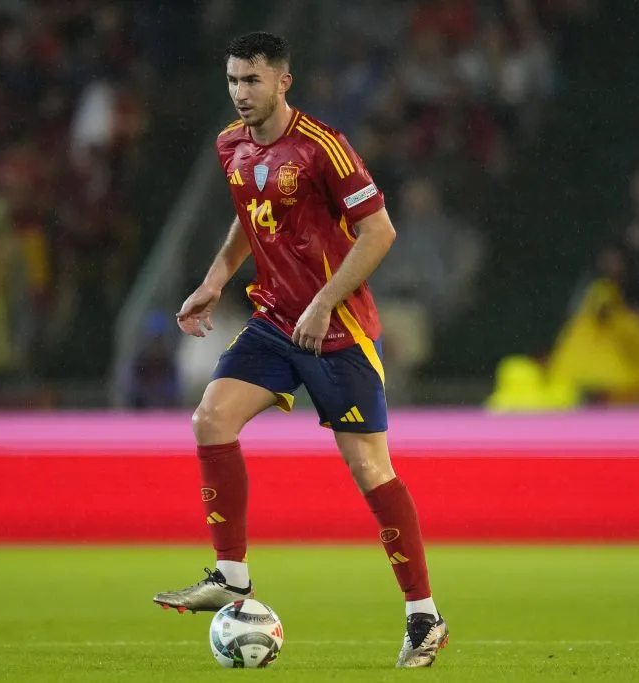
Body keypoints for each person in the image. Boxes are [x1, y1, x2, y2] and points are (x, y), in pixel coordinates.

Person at [151, 32, 448, 669]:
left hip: (338, 330)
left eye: (252, 80)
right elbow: (249, 213)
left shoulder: (323, 147)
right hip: (275, 321)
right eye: (233, 80)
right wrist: (214, 280)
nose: (240, 93)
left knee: (370, 470)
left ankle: (424, 616)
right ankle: (232, 576)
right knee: (210, 419)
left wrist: (322, 303)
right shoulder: (230, 145)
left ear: (283, 82)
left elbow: (379, 232)